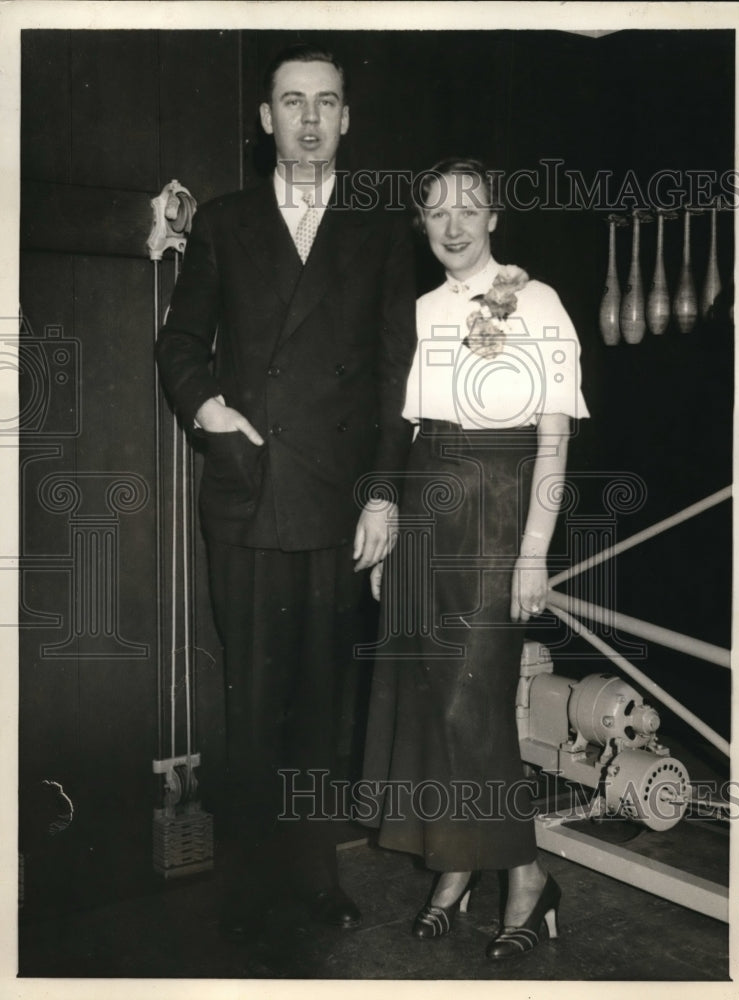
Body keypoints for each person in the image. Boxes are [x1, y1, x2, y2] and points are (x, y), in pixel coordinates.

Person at [155, 43, 416, 935]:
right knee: (253, 705)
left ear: (346, 119)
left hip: (339, 503)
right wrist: (210, 412)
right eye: (291, 102)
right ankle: (250, 884)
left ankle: (314, 879)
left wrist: (384, 493)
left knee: (320, 708)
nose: (308, 119)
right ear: (265, 120)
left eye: (326, 103)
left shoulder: (381, 231)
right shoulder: (225, 223)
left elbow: (395, 375)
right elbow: (179, 344)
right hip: (247, 492)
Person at [362, 157, 589, 959]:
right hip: (429, 498)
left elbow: (553, 441)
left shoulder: (539, 301)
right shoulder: (422, 309)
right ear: (420, 226)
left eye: (468, 209)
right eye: (434, 213)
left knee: (473, 702)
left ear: (494, 217)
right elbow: (414, 429)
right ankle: (457, 866)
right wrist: (395, 528)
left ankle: (525, 873)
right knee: (429, 697)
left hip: (499, 504)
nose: (452, 225)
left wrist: (534, 553)